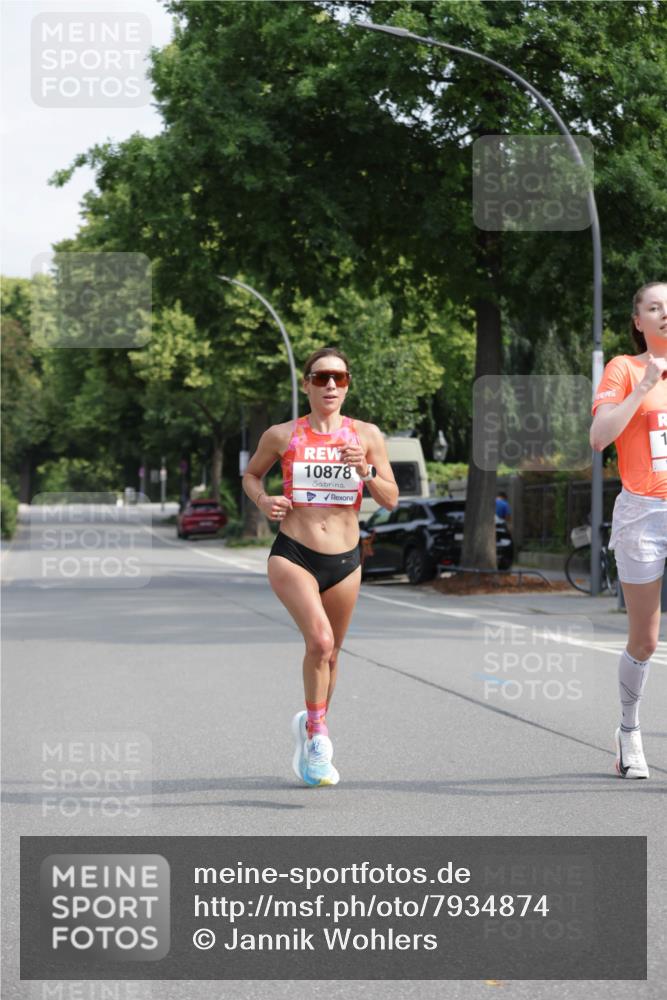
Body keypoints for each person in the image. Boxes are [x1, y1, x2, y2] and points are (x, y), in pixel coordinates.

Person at [242, 348, 399, 786]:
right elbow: (251, 475)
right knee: (319, 640)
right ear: (306, 384)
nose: (331, 385)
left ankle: (311, 727)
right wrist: (263, 500)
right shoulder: (282, 435)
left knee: (332, 653)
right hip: (293, 552)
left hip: (346, 561)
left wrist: (366, 470)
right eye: (322, 377)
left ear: (347, 385)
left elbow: (391, 498)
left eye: (341, 378)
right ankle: (320, 740)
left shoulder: (366, 435)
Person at [590, 281, 667, 779]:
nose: (665, 314)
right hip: (643, 513)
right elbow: (598, 438)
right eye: (655, 307)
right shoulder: (624, 368)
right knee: (645, 640)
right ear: (638, 320)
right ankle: (628, 731)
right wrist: (643, 385)